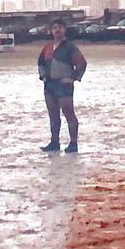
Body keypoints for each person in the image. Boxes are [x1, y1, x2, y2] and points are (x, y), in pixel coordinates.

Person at [37, 19, 87, 153]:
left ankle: (73, 143)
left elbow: (82, 64)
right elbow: (40, 63)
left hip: (64, 86)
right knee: (53, 115)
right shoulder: (47, 47)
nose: (57, 30)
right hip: (49, 85)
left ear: (64, 30)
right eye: (54, 28)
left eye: (59, 27)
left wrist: (73, 78)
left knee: (68, 113)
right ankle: (54, 142)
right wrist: (43, 76)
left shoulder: (70, 47)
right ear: (51, 31)